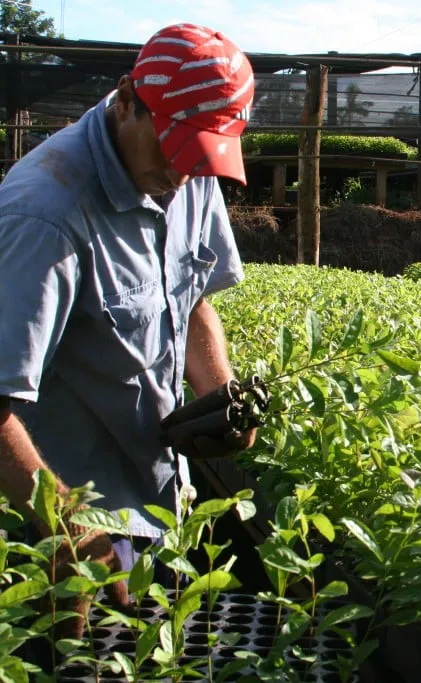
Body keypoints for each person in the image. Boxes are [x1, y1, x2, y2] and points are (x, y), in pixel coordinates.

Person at [0, 23, 257, 633]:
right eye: (176, 150)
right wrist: (66, 529)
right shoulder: (46, 214)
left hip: (155, 503)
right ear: (126, 101)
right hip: (55, 523)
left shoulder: (187, 173)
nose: (185, 175)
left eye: (204, 159)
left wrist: (219, 395)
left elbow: (190, 297)